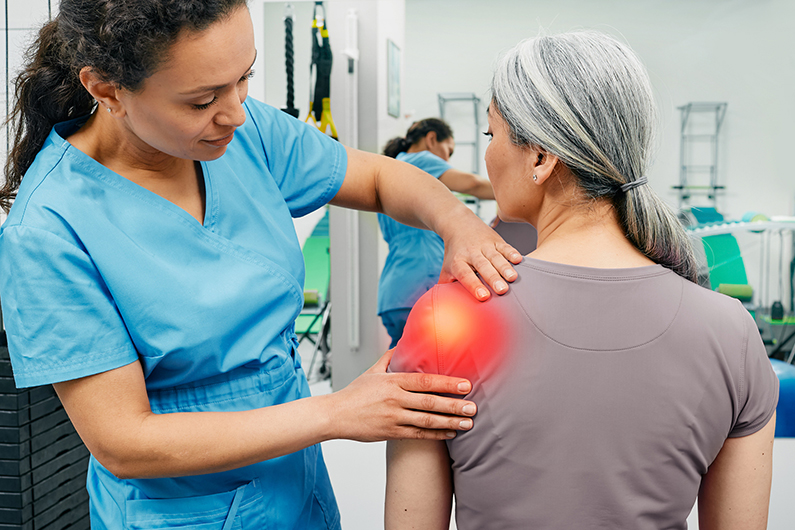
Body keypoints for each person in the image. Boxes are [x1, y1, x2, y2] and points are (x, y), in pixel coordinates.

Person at [0, 2, 524, 528]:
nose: (236, 112)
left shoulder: (245, 134)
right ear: (107, 90)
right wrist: (335, 413)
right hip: (186, 509)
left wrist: (459, 224)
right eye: (203, 99)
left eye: (244, 76)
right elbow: (124, 442)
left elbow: (381, 179)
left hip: (296, 484)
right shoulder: (49, 230)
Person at [386, 31, 778, 530]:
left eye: (491, 135)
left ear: (541, 158)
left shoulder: (447, 318)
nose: (486, 154)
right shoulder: (732, 331)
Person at [379, 119, 496, 347]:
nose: (447, 160)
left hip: (393, 294)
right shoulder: (419, 160)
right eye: (448, 151)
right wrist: (522, 192)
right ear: (432, 139)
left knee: (401, 372)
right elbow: (472, 184)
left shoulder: (388, 171)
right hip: (421, 286)